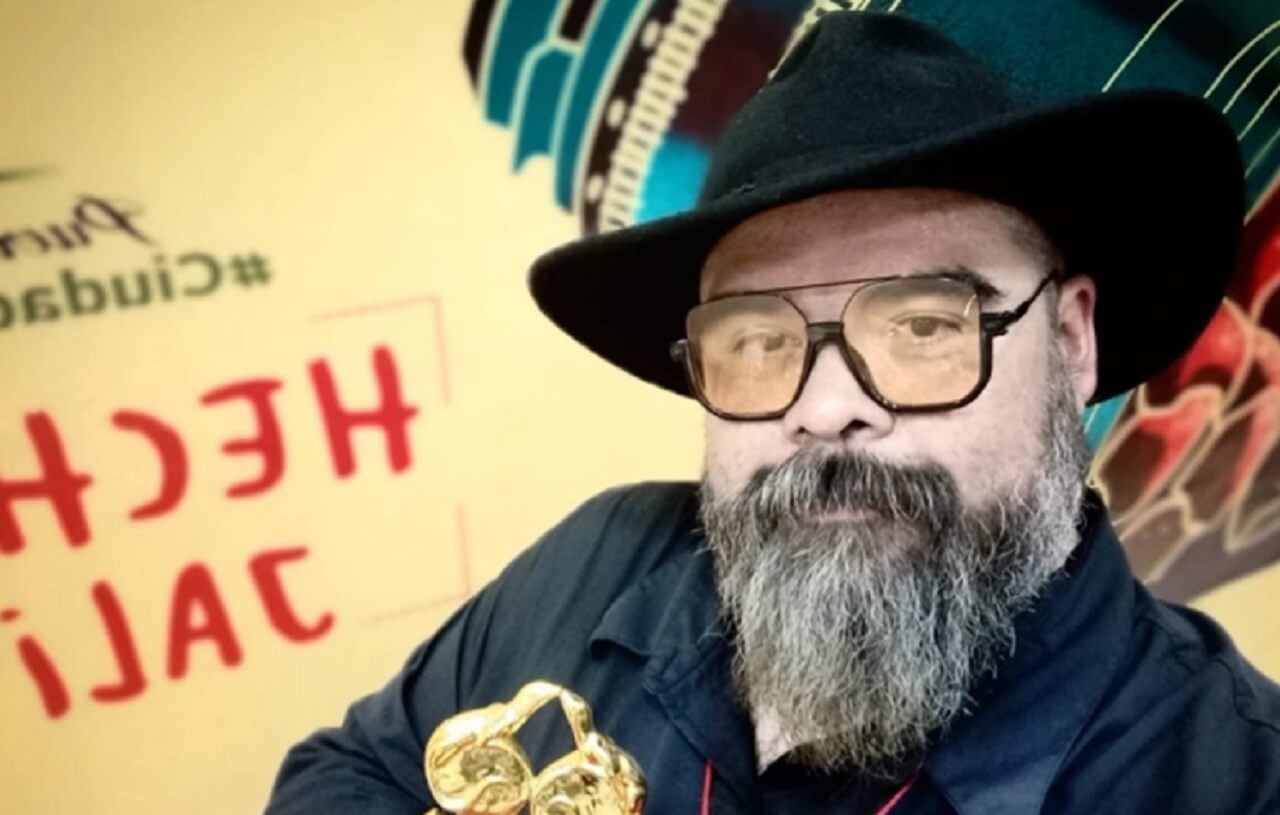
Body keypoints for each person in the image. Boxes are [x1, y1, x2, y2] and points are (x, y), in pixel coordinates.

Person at [265, 11, 1280, 814]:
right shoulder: (593, 562)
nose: (826, 408)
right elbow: (352, 767)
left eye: (923, 325)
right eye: (755, 340)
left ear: (1067, 342)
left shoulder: (1229, 775)